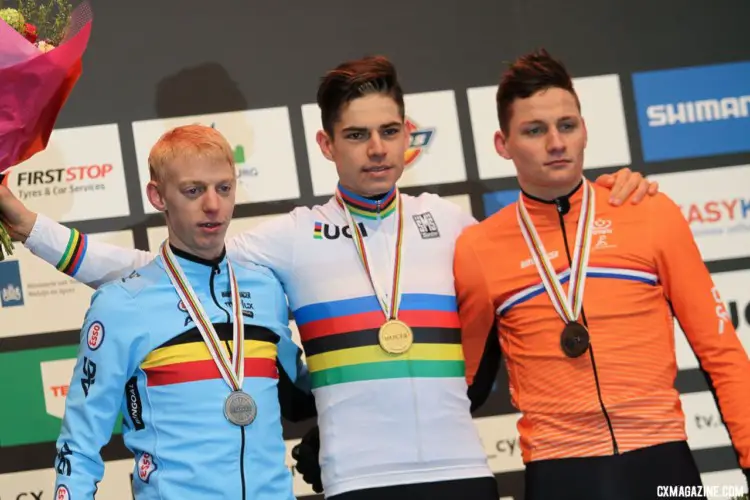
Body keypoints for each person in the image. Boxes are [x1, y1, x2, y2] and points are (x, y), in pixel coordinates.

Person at [0, 56, 656, 500]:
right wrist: (30, 226)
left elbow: (547, 239)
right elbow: (164, 276)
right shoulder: (289, 239)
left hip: (463, 474)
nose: (375, 148)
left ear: (410, 138)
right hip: (357, 482)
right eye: (357, 134)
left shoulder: (457, 227)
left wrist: (613, 194)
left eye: (389, 131)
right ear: (326, 145)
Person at [453, 49, 750, 500]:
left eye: (567, 125)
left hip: (664, 464)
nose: (556, 142)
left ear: (585, 129)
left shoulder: (648, 212)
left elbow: (720, 351)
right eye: (535, 130)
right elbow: (461, 385)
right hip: (559, 472)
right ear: (503, 143)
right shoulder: (478, 248)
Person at [51, 125, 315, 499]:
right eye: (193, 191)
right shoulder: (121, 305)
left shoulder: (265, 288)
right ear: (158, 196)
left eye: (224, 188)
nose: (213, 205)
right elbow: (78, 446)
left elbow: (300, 393)